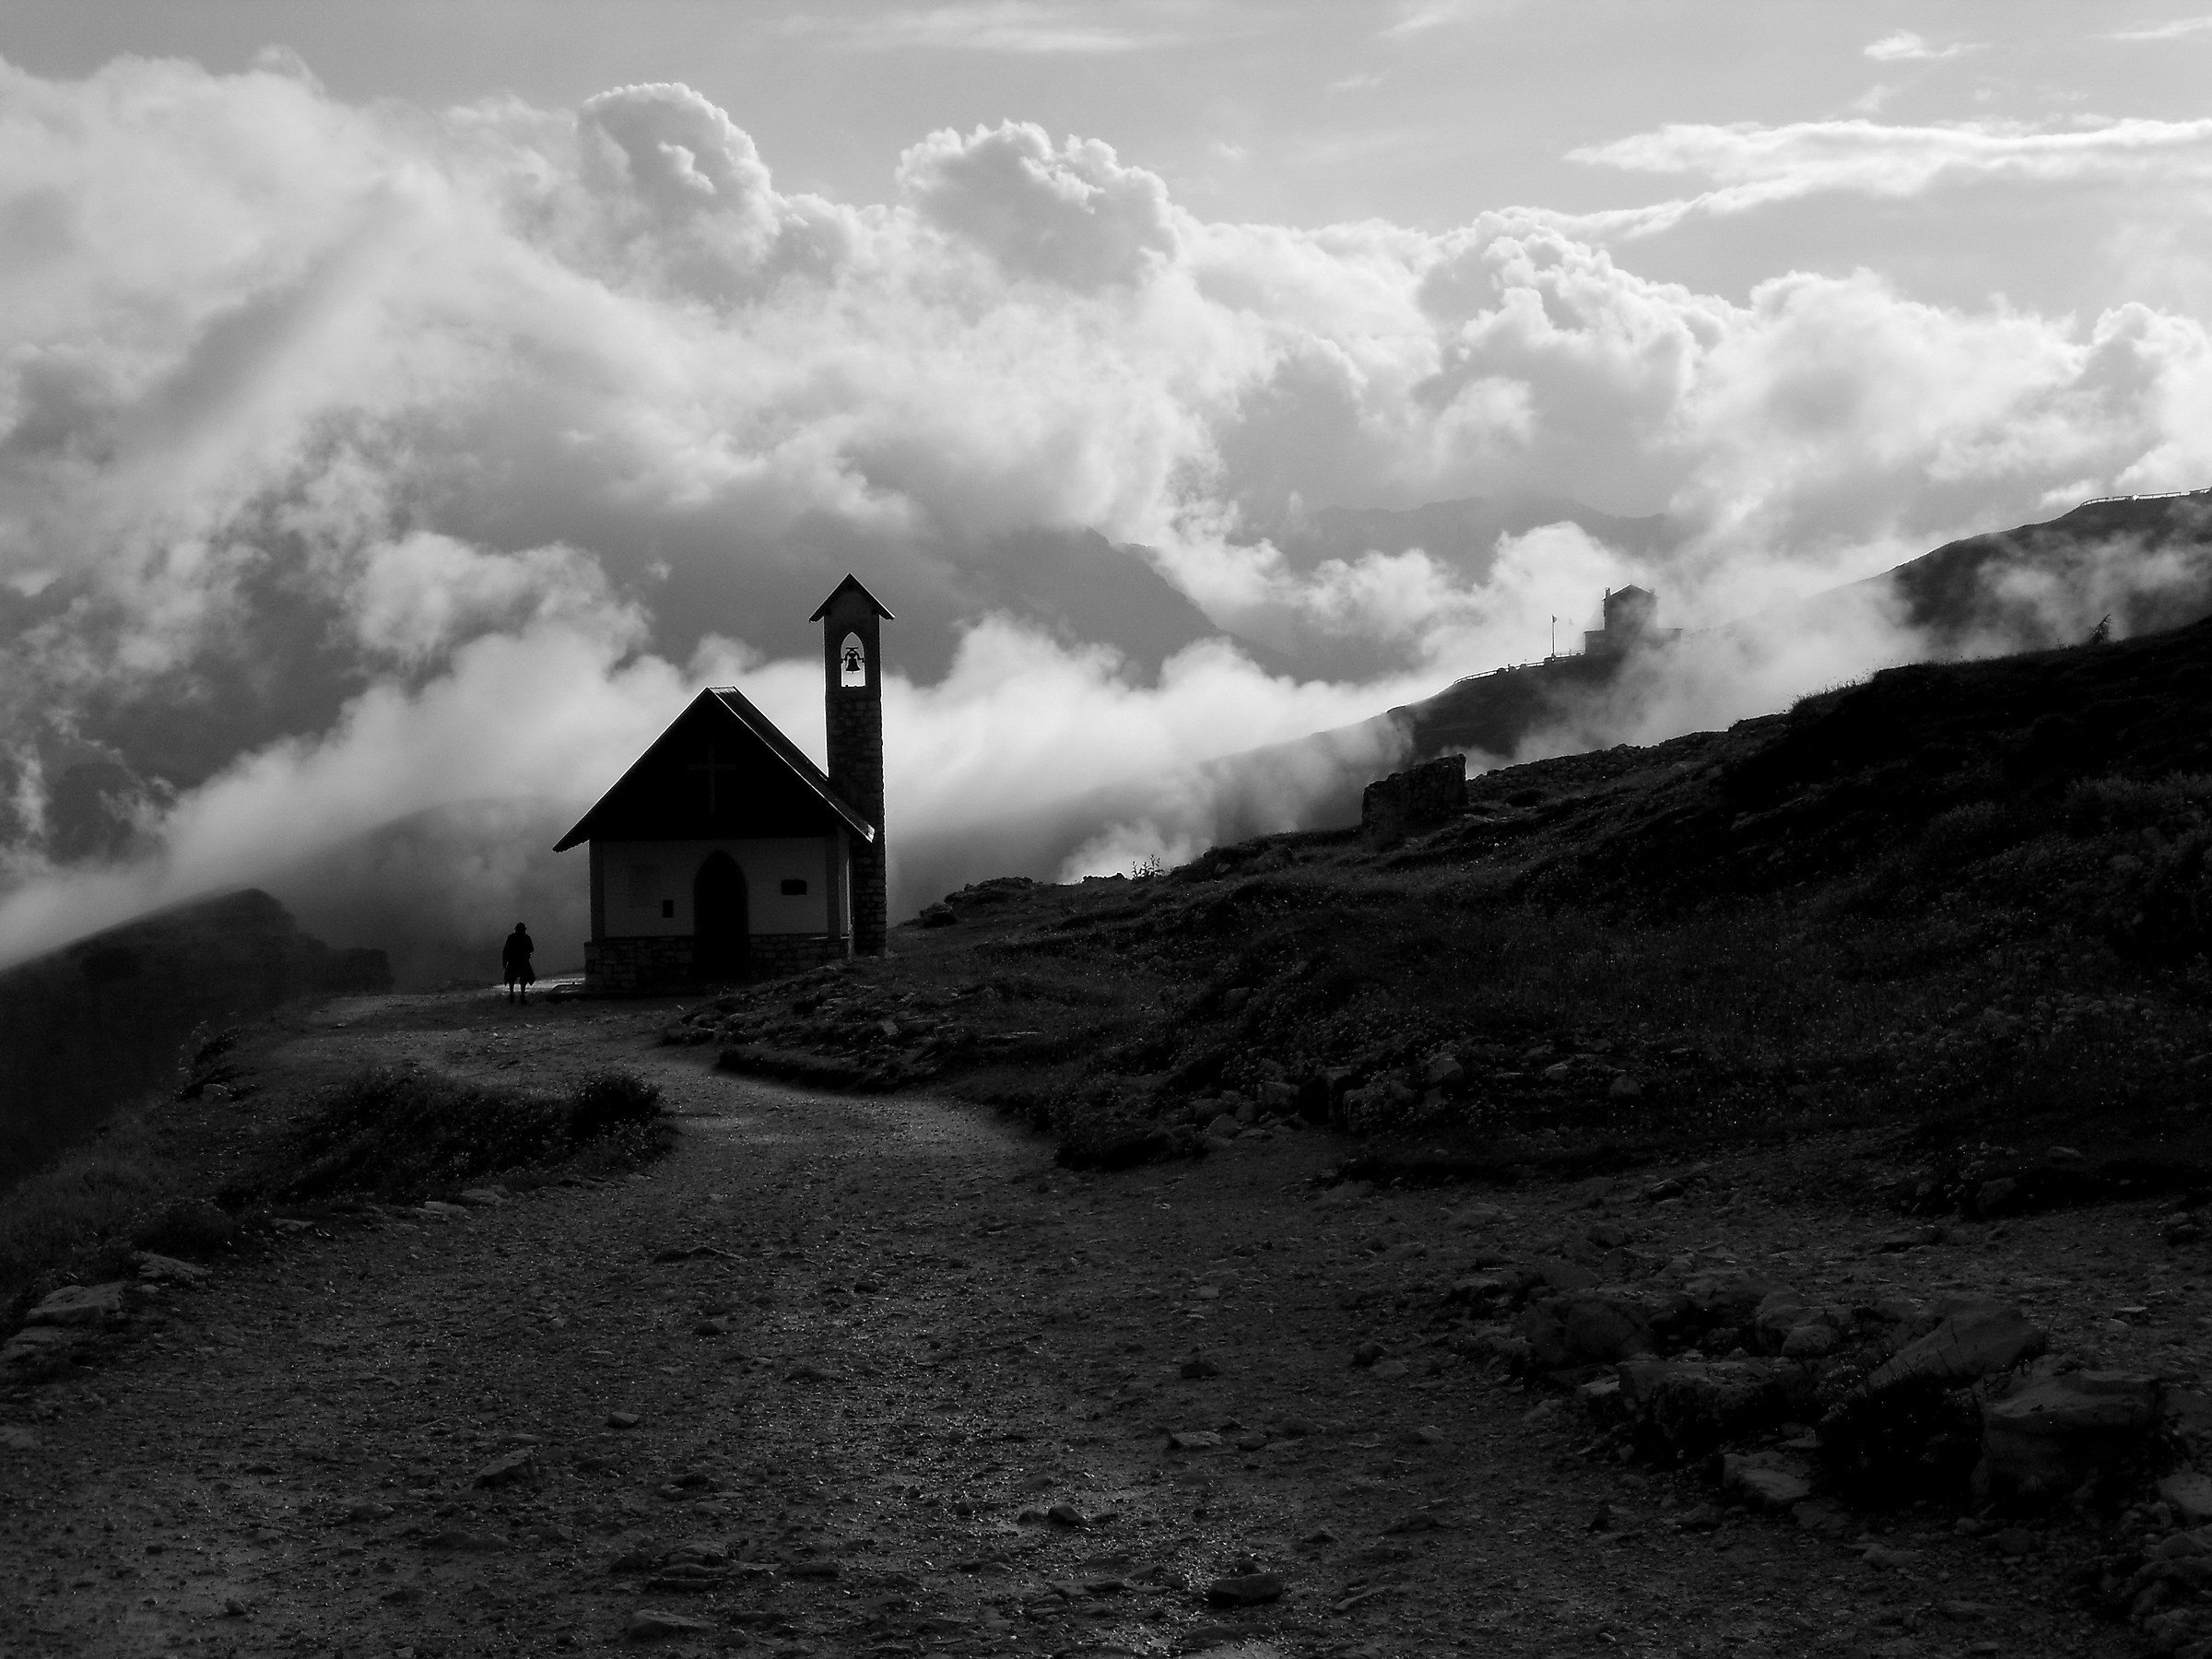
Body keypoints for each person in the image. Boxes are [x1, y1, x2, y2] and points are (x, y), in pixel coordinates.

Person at [500, 924, 535, 1003]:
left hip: (513, 961)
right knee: (523, 979)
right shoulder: (526, 938)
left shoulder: (511, 938)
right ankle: (521, 996)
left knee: (511, 978)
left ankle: (512, 995)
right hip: (522, 962)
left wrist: (504, 962)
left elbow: (505, 950)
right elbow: (531, 949)